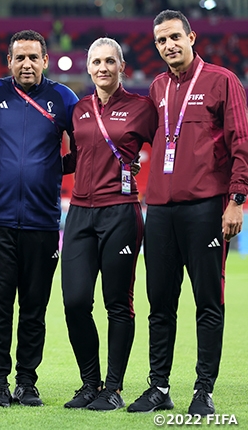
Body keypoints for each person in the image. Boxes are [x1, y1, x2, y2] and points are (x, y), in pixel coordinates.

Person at [128, 10, 248, 415]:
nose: (169, 45)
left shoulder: (222, 80)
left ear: (191, 36)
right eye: (161, 40)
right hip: (160, 209)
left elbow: (241, 143)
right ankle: (159, 386)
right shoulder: (157, 87)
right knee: (159, 303)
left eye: (175, 37)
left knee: (207, 302)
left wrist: (236, 200)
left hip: (205, 208)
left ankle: (203, 389)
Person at [0, 30, 78, 407]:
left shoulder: (62, 98)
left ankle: (27, 380)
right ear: (9, 61)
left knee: (34, 307)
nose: (26, 64)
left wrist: (56, 166)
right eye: (19, 58)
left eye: (33, 57)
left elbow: (85, 146)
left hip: (42, 221)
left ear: (45, 60)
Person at [61, 38, 156, 411]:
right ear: (87, 68)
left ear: (121, 66)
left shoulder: (141, 108)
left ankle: (112, 388)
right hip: (80, 213)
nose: (102, 68)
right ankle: (89, 383)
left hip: (121, 212)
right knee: (74, 301)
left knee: (118, 303)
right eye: (96, 62)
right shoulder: (79, 109)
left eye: (109, 61)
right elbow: (73, 158)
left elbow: (169, 144)